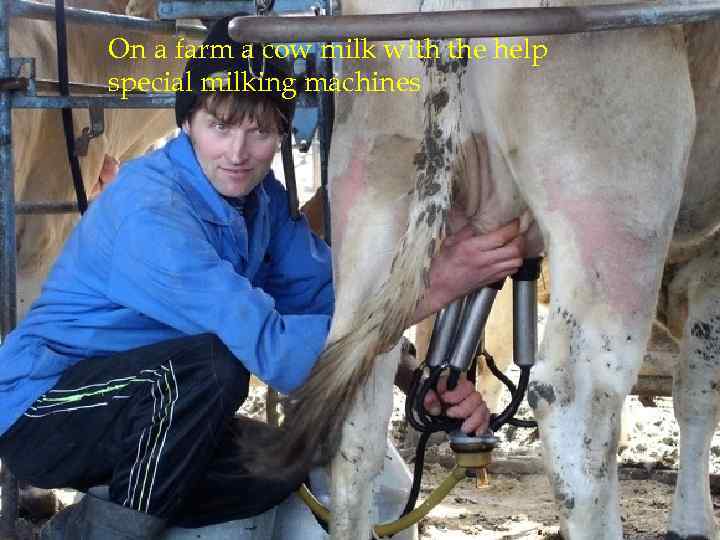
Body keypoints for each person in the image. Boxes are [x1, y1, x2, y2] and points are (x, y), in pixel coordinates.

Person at [0, 17, 527, 539]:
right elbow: (278, 353)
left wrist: (416, 380)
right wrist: (436, 284)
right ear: (186, 122)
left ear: (281, 130)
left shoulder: (261, 201)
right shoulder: (152, 210)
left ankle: (88, 520)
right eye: (221, 125)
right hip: (46, 407)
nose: (238, 152)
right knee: (213, 365)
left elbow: (329, 303)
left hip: (149, 408)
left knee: (278, 463)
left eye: (259, 129)